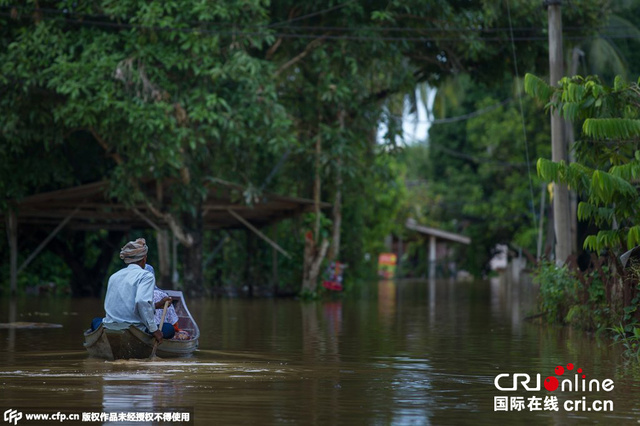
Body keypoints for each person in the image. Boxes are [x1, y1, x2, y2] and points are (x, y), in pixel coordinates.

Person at [90, 238, 174, 343]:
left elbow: (127, 305)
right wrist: (154, 330)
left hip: (110, 326)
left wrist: (157, 305)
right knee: (169, 329)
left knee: (95, 321)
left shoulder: (114, 276)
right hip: (134, 328)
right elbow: (141, 302)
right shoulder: (146, 275)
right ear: (144, 258)